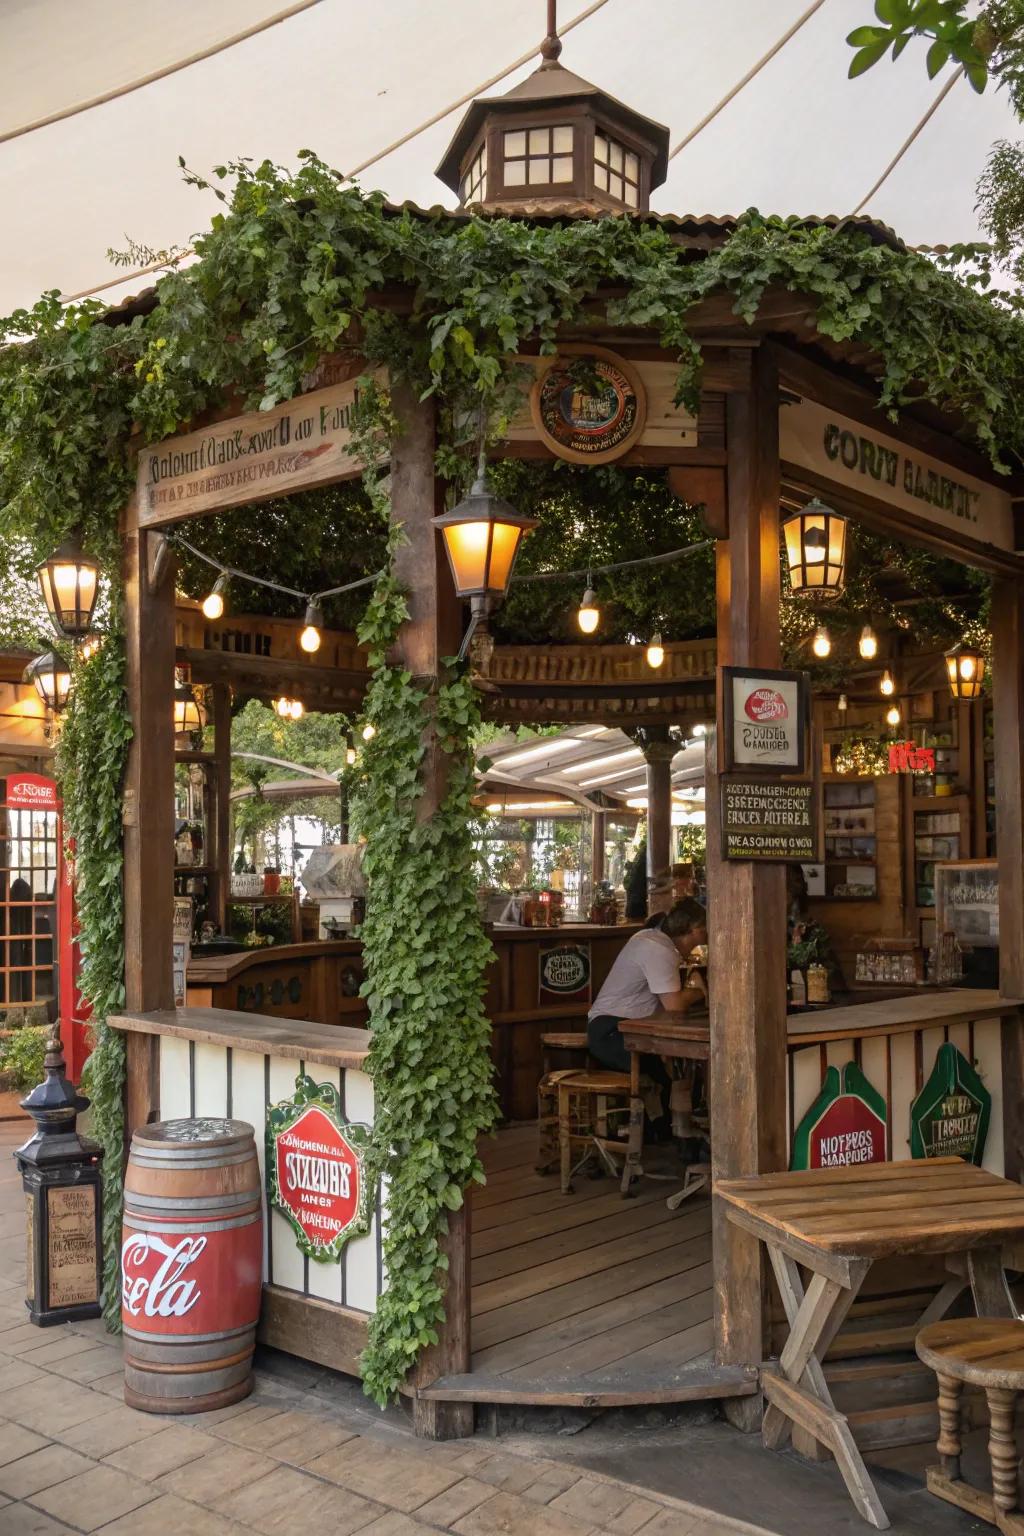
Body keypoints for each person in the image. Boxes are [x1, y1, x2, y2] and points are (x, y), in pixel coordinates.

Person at [587, 898, 708, 1077]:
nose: (706, 938)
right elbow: (675, 1007)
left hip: (622, 1029)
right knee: (672, 1073)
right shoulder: (658, 948)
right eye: (704, 932)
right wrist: (701, 991)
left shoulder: (653, 939)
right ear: (694, 929)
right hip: (611, 1032)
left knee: (681, 1071)